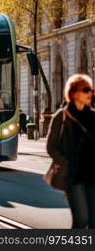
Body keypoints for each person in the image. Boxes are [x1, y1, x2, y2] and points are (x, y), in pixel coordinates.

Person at [46, 74, 95, 228]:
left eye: (92, 90)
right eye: (86, 90)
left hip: (93, 174)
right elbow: (51, 146)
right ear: (73, 92)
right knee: (81, 219)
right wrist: (66, 163)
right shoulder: (62, 116)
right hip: (74, 176)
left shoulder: (93, 116)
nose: (90, 93)